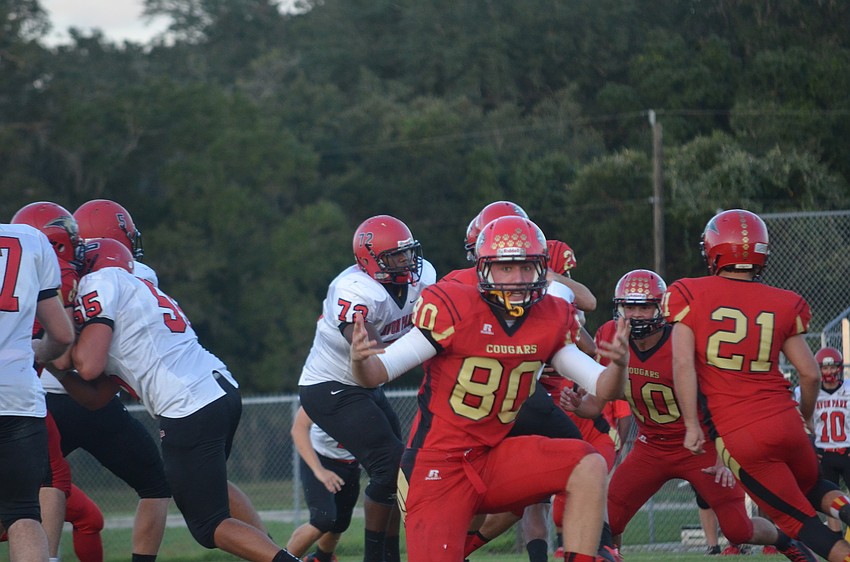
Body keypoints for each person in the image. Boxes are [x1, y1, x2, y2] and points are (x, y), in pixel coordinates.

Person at [350, 215, 631, 562]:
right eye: (506, 269)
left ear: (543, 269)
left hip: (493, 458)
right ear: (484, 269)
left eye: (528, 268)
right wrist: (360, 361)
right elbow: (378, 372)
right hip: (438, 467)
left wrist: (618, 366)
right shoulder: (454, 306)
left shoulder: (551, 315)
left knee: (588, 463)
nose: (518, 279)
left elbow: (604, 386)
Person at [51, 238, 300, 562]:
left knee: (208, 525)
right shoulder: (133, 292)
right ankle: (271, 550)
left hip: (188, 405)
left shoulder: (99, 282)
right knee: (213, 492)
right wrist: (57, 371)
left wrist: (53, 348)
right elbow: (97, 397)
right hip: (218, 388)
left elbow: (87, 365)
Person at [572, 269, 811, 560]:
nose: (635, 315)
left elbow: (721, 400)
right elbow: (598, 404)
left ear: (661, 308)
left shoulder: (685, 339)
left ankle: (785, 541)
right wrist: (576, 405)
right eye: (629, 306)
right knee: (607, 519)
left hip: (700, 445)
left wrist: (725, 457)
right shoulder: (610, 334)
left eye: (645, 307)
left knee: (738, 529)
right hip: (652, 446)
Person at [664, 208, 850, 562]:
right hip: (786, 421)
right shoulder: (783, 302)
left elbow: (683, 362)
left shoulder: (689, 293)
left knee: (801, 524)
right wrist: (806, 418)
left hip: (741, 434)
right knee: (816, 489)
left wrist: (690, 423)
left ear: (714, 250)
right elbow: (809, 374)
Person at [16, 201, 171, 562]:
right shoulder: (125, 270)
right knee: (154, 484)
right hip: (87, 394)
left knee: (48, 487)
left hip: (41, 397)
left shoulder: (28, 273)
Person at [299, 215, 436, 562]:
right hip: (330, 386)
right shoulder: (354, 289)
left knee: (398, 467)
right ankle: (375, 557)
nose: (406, 263)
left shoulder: (424, 277)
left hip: (366, 385)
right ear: (370, 260)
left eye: (408, 254)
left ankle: (387, 556)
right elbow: (368, 345)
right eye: (396, 257)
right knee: (390, 465)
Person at [11, 201, 105, 562]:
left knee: (88, 517)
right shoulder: (53, 270)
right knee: (51, 482)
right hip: (17, 395)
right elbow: (63, 350)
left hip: (19, 391)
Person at [0, 220, 75, 562]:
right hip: (18, 398)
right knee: (23, 513)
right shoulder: (30, 239)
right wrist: (35, 353)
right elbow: (61, 335)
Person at [286, 406, 360, 562]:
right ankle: (281, 559)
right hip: (319, 458)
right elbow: (298, 428)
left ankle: (320, 559)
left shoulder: (370, 391)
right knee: (322, 519)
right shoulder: (326, 386)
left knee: (340, 522)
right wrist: (319, 469)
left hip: (351, 462)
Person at [795, 347, 850, 536]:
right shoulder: (805, 392)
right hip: (822, 453)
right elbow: (801, 421)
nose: (830, 372)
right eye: (825, 368)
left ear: (840, 368)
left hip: (847, 451)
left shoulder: (848, 389)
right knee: (832, 501)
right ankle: (838, 539)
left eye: (833, 367)